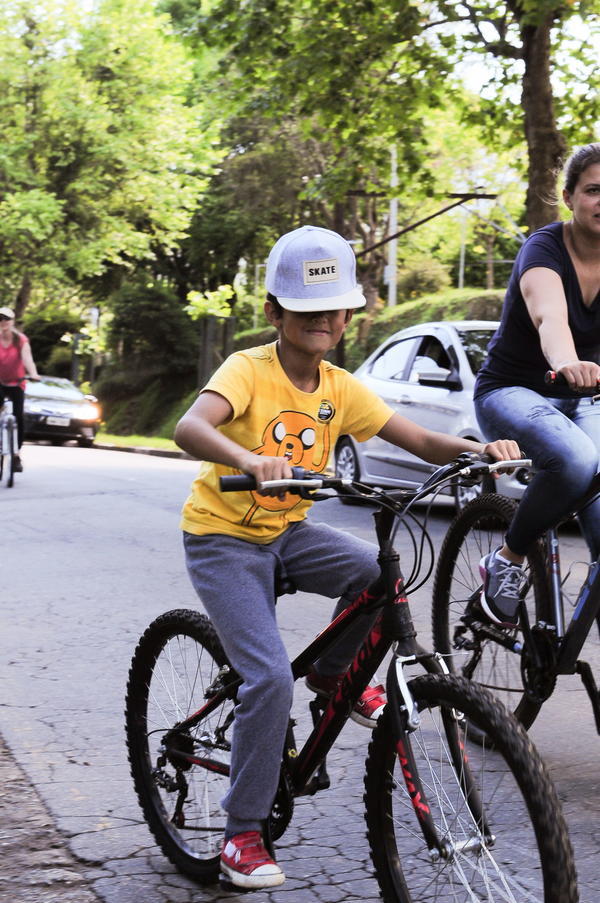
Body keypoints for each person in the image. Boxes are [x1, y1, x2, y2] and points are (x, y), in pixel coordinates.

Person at [174, 225, 520, 890]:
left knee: (372, 574)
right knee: (268, 677)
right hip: (223, 538)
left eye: (336, 309)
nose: (326, 321)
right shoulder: (248, 369)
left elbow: (417, 437)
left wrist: (476, 449)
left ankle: (334, 677)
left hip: (288, 532)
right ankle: (240, 833)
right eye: (308, 311)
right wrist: (250, 459)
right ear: (274, 312)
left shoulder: (341, 385)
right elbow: (192, 425)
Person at [475, 142, 600, 628]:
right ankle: (506, 559)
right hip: (513, 389)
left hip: (588, 397)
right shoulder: (545, 248)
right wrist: (569, 362)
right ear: (569, 197)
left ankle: (563, 642)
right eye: (593, 190)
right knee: (574, 459)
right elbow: (551, 317)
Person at [0, 306, 40, 472]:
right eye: (0, 319)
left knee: (18, 417)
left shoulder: (20, 340)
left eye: (6, 319)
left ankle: (16, 454)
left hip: (17, 382)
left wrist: (33, 373)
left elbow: (27, 358)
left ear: (12, 321)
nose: (3, 322)